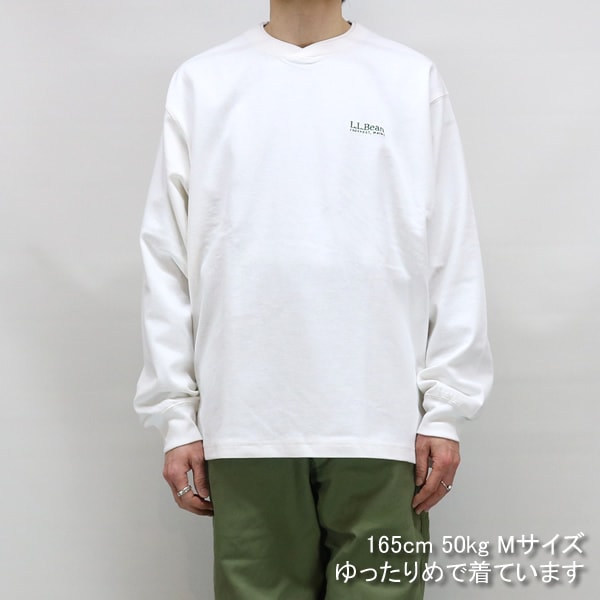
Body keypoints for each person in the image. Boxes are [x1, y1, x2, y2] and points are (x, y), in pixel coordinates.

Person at [133, 1, 493, 598]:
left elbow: (452, 250)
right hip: (246, 421)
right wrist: (177, 417)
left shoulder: (408, 78)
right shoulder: (204, 81)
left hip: (381, 422)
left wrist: (445, 409)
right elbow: (166, 258)